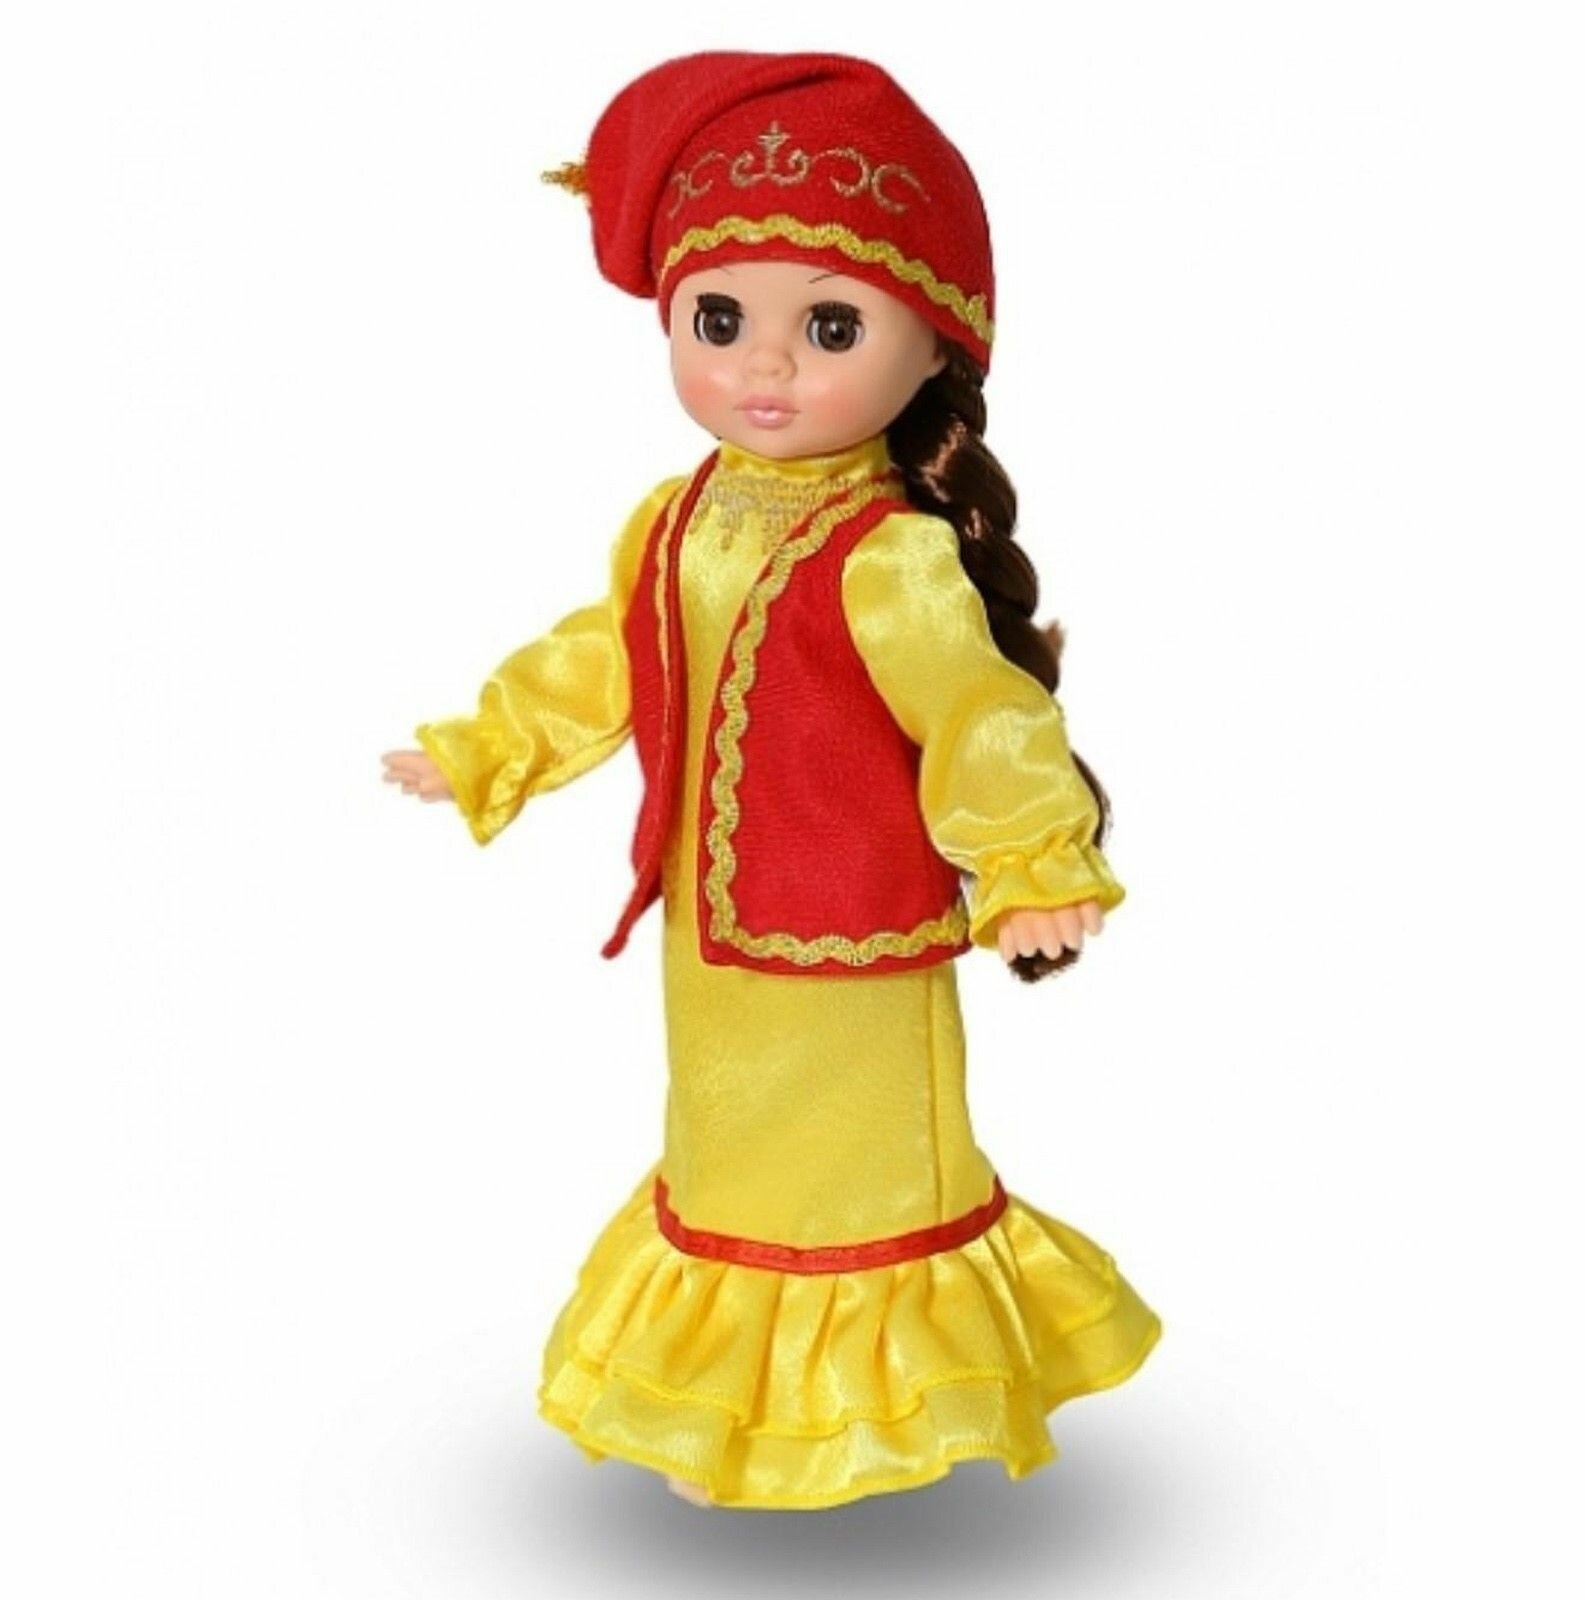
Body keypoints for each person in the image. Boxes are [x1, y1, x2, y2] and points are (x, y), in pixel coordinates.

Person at [381, 50, 1160, 1512]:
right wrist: (490, 744)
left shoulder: (891, 556)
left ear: (933, 351)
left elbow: (980, 715)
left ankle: (885, 1409)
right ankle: (732, 1409)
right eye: (721, 319)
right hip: (713, 941)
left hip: (856, 946)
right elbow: (607, 655)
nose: (765, 367)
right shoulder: (677, 519)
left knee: (865, 1184)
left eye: (831, 325)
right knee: (727, 1163)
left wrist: (1032, 867)